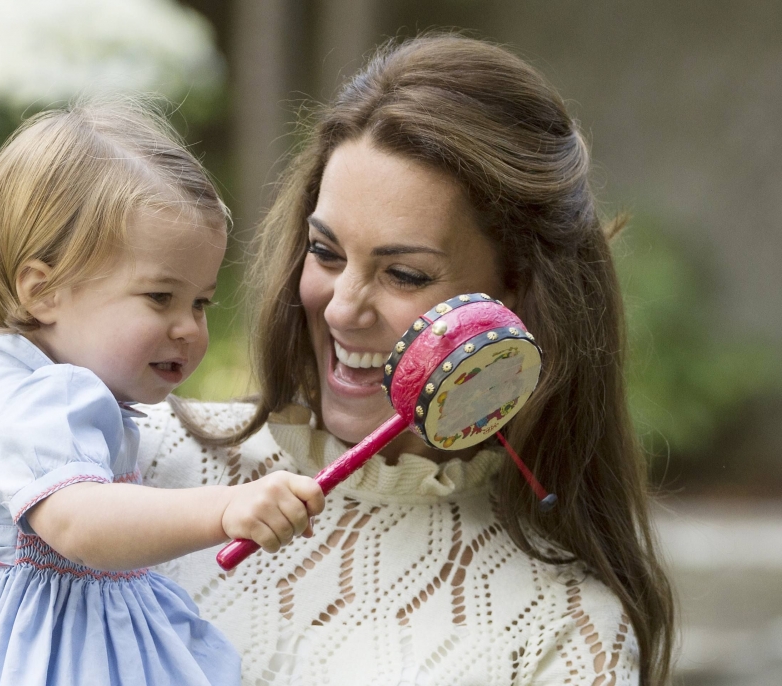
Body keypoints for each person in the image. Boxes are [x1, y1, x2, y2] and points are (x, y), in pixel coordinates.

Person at [135, 34, 676, 686]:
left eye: (404, 274)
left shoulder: (566, 623)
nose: (341, 309)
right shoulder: (132, 460)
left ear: (517, 296)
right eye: (327, 253)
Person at [0, 101, 325, 686]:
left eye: (201, 302)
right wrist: (224, 507)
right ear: (43, 291)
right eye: (160, 297)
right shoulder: (55, 397)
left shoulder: (0, 380)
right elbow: (81, 524)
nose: (188, 327)